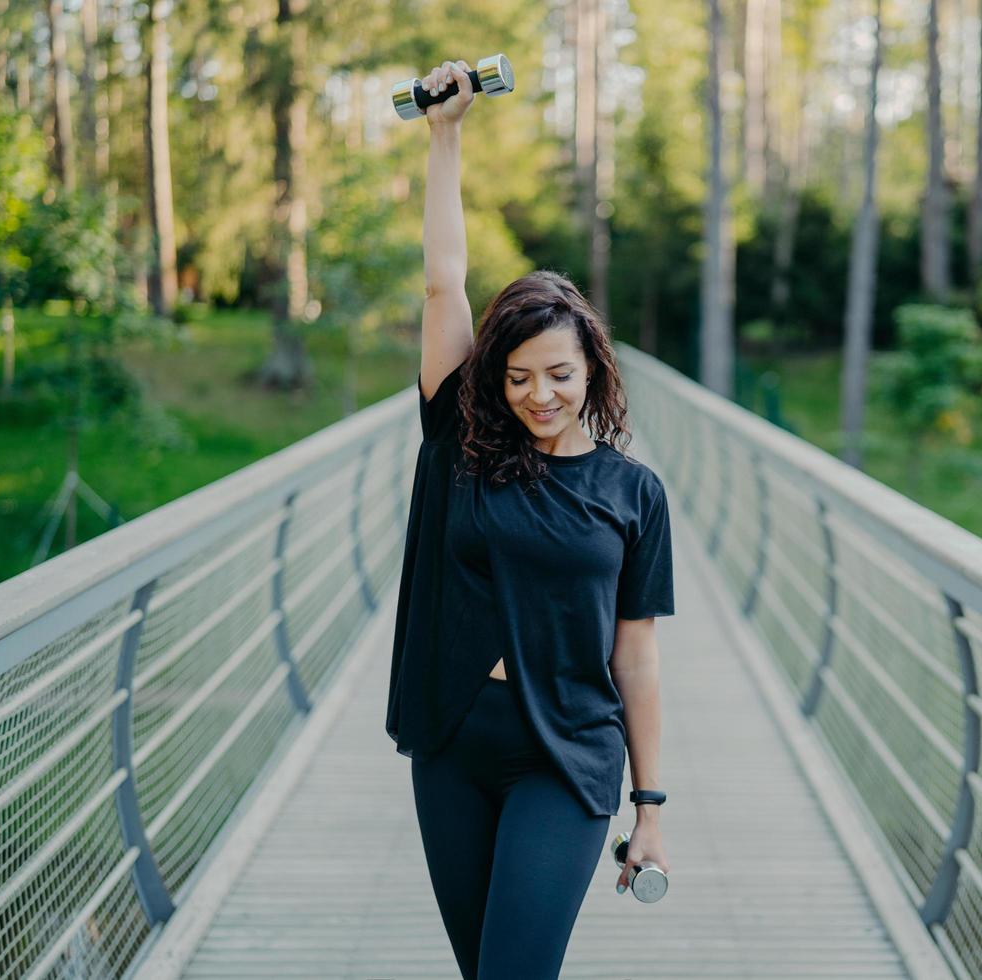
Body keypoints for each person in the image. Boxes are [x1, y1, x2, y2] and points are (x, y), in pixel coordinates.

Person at [384, 59, 677, 980]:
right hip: (455, 743)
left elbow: (635, 655)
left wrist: (651, 806)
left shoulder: (634, 494)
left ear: (593, 368)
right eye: (516, 378)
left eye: (558, 374)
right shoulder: (460, 445)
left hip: (569, 756)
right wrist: (446, 137)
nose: (538, 395)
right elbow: (443, 284)